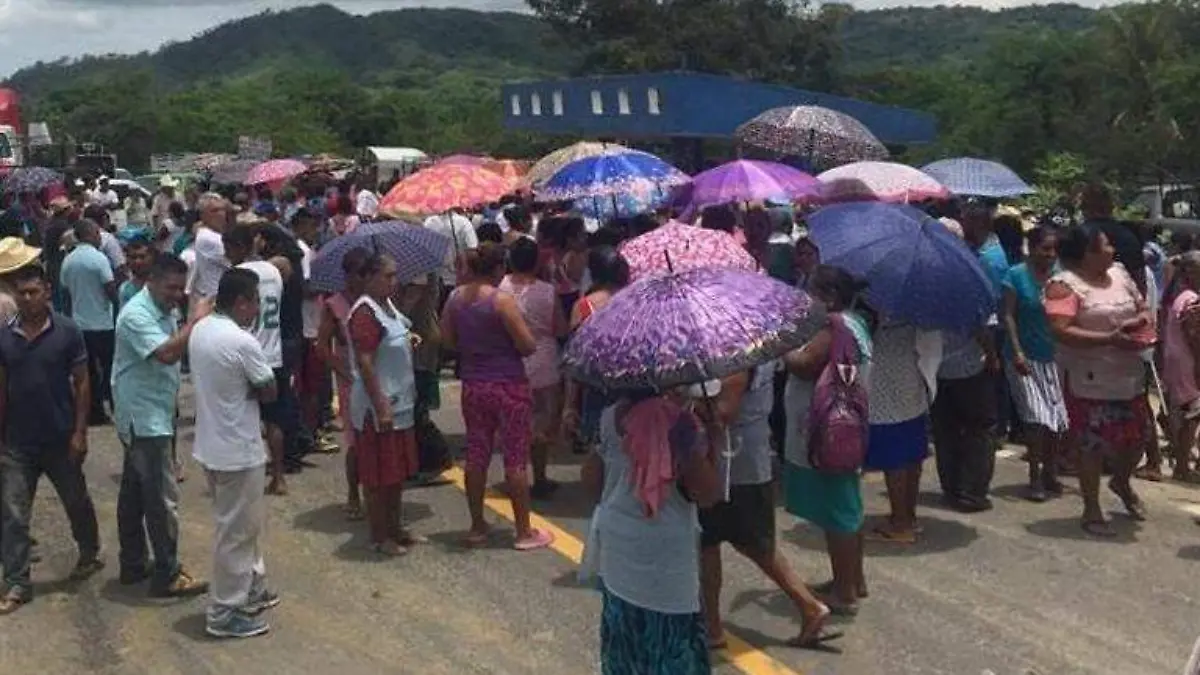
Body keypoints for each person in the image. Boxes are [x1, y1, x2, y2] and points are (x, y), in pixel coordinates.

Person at [580, 386, 721, 674]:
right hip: (666, 565)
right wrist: (712, 444)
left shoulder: (610, 417)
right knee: (673, 654)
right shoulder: (681, 425)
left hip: (618, 554)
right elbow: (706, 494)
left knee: (626, 655)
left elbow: (592, 484)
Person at [698, 355, 835, 649]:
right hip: (741, 459)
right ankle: (711, 624)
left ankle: (808, 606)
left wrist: (687, 404)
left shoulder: (739, 358)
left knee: (743, 544)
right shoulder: (751, 350)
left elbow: (724, 413)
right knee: (724, 542)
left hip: (735, 464)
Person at [0, 265, 103, 614]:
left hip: (60, 438)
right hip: (17, 442)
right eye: (21, 293)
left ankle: (89, 552)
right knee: (13, 514)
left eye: (33, 291)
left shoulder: (68, 332)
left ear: (47, 290)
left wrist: (80, 432)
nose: (27, 299)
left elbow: (82, 382)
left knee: (76, 501)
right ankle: (16, 582)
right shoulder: (4, 335)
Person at [440, 242, 552, 550]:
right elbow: (528, 345)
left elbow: (447, 341)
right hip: (508, 384)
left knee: (477, 455)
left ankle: (477, 525)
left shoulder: (454, 300)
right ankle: (523, 530)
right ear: (498, 269)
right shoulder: (502, 301)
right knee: (515, 457)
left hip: (474, 384)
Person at [1045, 223, 1154, 537]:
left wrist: (1141, 322)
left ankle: (1121, 481)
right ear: (1087, 253)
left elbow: (1142, 306)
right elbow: (1061, 329)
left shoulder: (1120, 274)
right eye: (1105, 245)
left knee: (1139, 437)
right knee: (1091, 445)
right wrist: (1108, 338)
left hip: (1128, 373)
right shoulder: (1063, 286)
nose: (1112, 250)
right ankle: (1091, 508)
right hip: (1087, 378)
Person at [189, 268, 280, 638]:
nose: (258, 308)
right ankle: (225, 611)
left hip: (213, 444)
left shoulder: (201, 329)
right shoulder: (241, 341)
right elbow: (269, 390)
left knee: (244, 526)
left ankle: (250, 587)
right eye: (255, 301)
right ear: (241, 302)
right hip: (237, 449)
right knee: (236, 533)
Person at [112, 253, 208, 597]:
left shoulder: (165, 309)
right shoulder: (136, 315)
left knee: (135, 493)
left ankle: (133, 562)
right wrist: (195, 322)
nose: (177, 295)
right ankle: (167, 572)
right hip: (144, 416)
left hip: (154, 409)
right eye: (171, 288)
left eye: (181, 289)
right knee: (160, 498)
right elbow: (167, 353)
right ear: (151, 280)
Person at [782, 265, 873, 617]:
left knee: (838, 513)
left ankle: (845, 591)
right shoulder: (855, 322)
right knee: (847, 507)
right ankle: (851, 579)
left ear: (831, 297)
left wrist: (783, 347)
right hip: (847, 427)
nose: (806, 297)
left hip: (830, 432)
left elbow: (805, 364)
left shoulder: (833, 325)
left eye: (812, 291)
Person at [347, 254, 423, 556]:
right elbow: (365, 363)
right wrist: (380, 406)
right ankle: (380, 536)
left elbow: (394, 335)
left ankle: (395, 528)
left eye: (395, 275)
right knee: (378, 477)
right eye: (387, 276)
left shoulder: (386, 306)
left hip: (401, 401)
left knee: (396, 474)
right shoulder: (364, 313)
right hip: (379, 407)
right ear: (369, 278)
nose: (394, 281)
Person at [222, 224, 292, 496]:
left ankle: (245, 475)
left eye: (228, 249)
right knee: (274, 421)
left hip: (246, 353)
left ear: (239, 247)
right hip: (274, 354)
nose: (226, 255)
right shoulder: (274, 271)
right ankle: (279, 476)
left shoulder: (236, 276)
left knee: (245, 419)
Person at [1002, 226, 1068, 501]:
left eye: (1054, 250)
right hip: (1024, 357)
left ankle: (1051, 472)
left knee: (1057, 419)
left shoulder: (1059, 278)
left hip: (1054, 356)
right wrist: (1017, 352)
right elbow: (1008, 316)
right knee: (1036, 418)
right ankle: (1034, 477)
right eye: (1045, 249)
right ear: (1032, 248)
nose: (1050, 255)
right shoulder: (1015, 275)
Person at [499, 237, 568, 498]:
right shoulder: (547, 291)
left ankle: (515, 473)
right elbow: (560, 328)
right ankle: (539, 477)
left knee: (514, 421)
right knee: (541, 421)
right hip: (544, 359)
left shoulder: (501, 288)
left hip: (511, 359)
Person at [316, 248, 371, 520]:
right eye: (357, 275)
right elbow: (322, 345)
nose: (361, 280)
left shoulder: (374, 300)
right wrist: (343, 371)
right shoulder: (334, 304)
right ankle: (353, 492)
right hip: (352, 378)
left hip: (376, 373)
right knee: (355, 440)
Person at [60, 218, 118, 425]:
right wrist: (117, 306)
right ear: (90, 234)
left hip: (80, 324)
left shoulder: (68, 260)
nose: (99, 236)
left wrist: (68, 320)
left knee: (89, 371)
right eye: (97, 233)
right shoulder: (99, 259)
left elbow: (65, 293)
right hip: (103, 323)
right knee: (111, 367)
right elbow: (110, 288)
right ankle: (115, 406)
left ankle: (95, 412)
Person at [1161, 252, 1200, 481]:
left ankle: (1182, 463)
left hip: (1178, 359)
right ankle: (1182, 466)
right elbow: (1194, 336)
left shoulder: (1180, 296)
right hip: (1189, 361)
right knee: (1192, 414)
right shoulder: (1192, 300)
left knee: (1188, 413)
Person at [190, 193, 232, 310]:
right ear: (203, 216)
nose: (221, 214)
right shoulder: (208, 238)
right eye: (215, 210)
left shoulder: (217, 235)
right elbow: (238, 259)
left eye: (223, 210)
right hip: (218, 300)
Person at [119, 233, 155, 308]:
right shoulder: (125, 290)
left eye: (142, 257)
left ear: (151, 257)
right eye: (133, 257)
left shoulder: (161, 285)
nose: (138, 261)